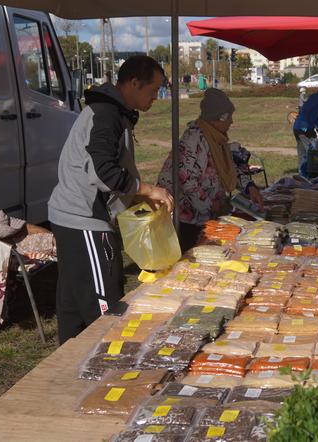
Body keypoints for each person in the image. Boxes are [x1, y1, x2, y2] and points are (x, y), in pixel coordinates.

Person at [48, 56, 174, 344]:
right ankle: (106, 363)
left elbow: (113, 170)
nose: (156, 98)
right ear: (133, 83)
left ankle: (71, 364)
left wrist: (135, 200)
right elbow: (104, 171)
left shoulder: (114, 112)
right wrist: (148, 189)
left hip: (71, 214)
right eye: (152, 91)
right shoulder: (105, 114)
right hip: (83, 219)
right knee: (104, 307)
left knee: (72, 303)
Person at [156, 88, 263, 251]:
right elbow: (185, 179)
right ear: (221, 117)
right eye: (230, 117)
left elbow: (229, 168)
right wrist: (208, 205)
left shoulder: (217, 138)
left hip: (205, 217)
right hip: (188, 220)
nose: (232, 122)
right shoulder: (195, 138)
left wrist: (249, 187)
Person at [293, 81, 318, 176]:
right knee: (310, 151)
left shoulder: (316, 98)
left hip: (297, 127)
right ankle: (307, 174)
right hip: (303, 128)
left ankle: (302, 173)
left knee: (302, 151)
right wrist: (308, 125)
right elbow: (308, 112)